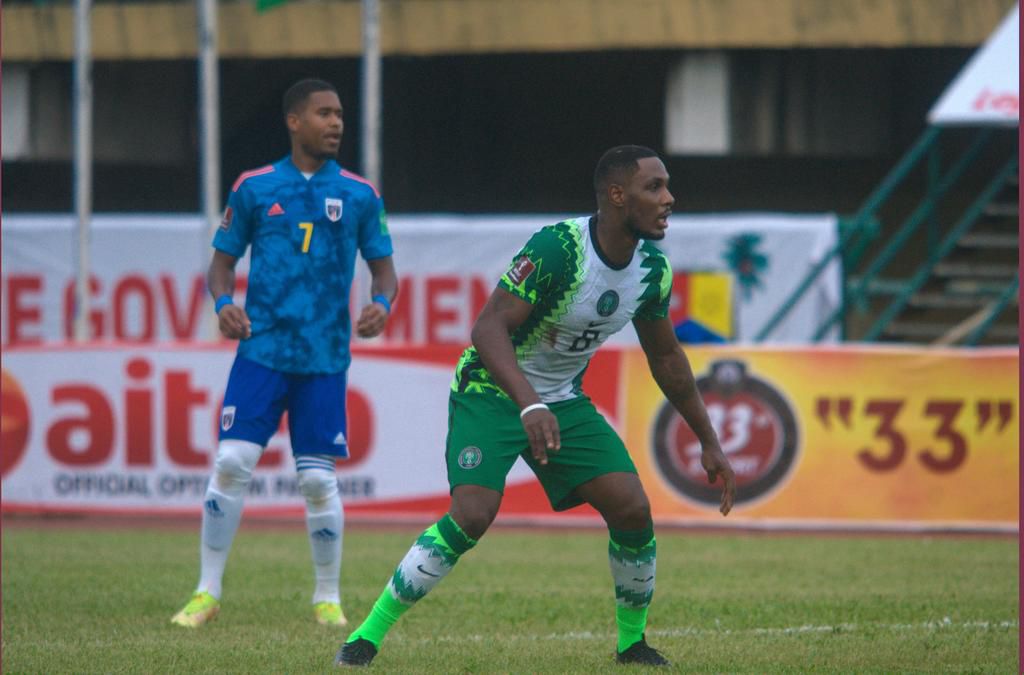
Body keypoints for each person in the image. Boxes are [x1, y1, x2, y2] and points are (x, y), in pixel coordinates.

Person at [334, 145, 735, 667]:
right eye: (654, 187)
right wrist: (528, 404)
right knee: (472, 514)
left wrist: (708, 439)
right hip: (492, 391)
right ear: (617, 195)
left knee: (632, 508)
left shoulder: (652, 270)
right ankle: (366, 636)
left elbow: (666, 358)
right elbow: (487, 328)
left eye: (666, 186)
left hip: (561, 400)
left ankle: (632, 644)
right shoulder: (559, 248)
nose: (668, 198)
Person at [171, 78, 397, 629]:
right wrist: (223, 303)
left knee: (318, 480)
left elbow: (385, 272)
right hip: (262, 351)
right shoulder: (253, 187)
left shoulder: (361, 195)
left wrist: (381, 304)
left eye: (339, 113)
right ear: (294, 122)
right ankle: (206, 591)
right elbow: (221, 265)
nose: (336, 122)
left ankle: (327, 598)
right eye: (324, 113)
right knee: (231, 463)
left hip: (324, 359)